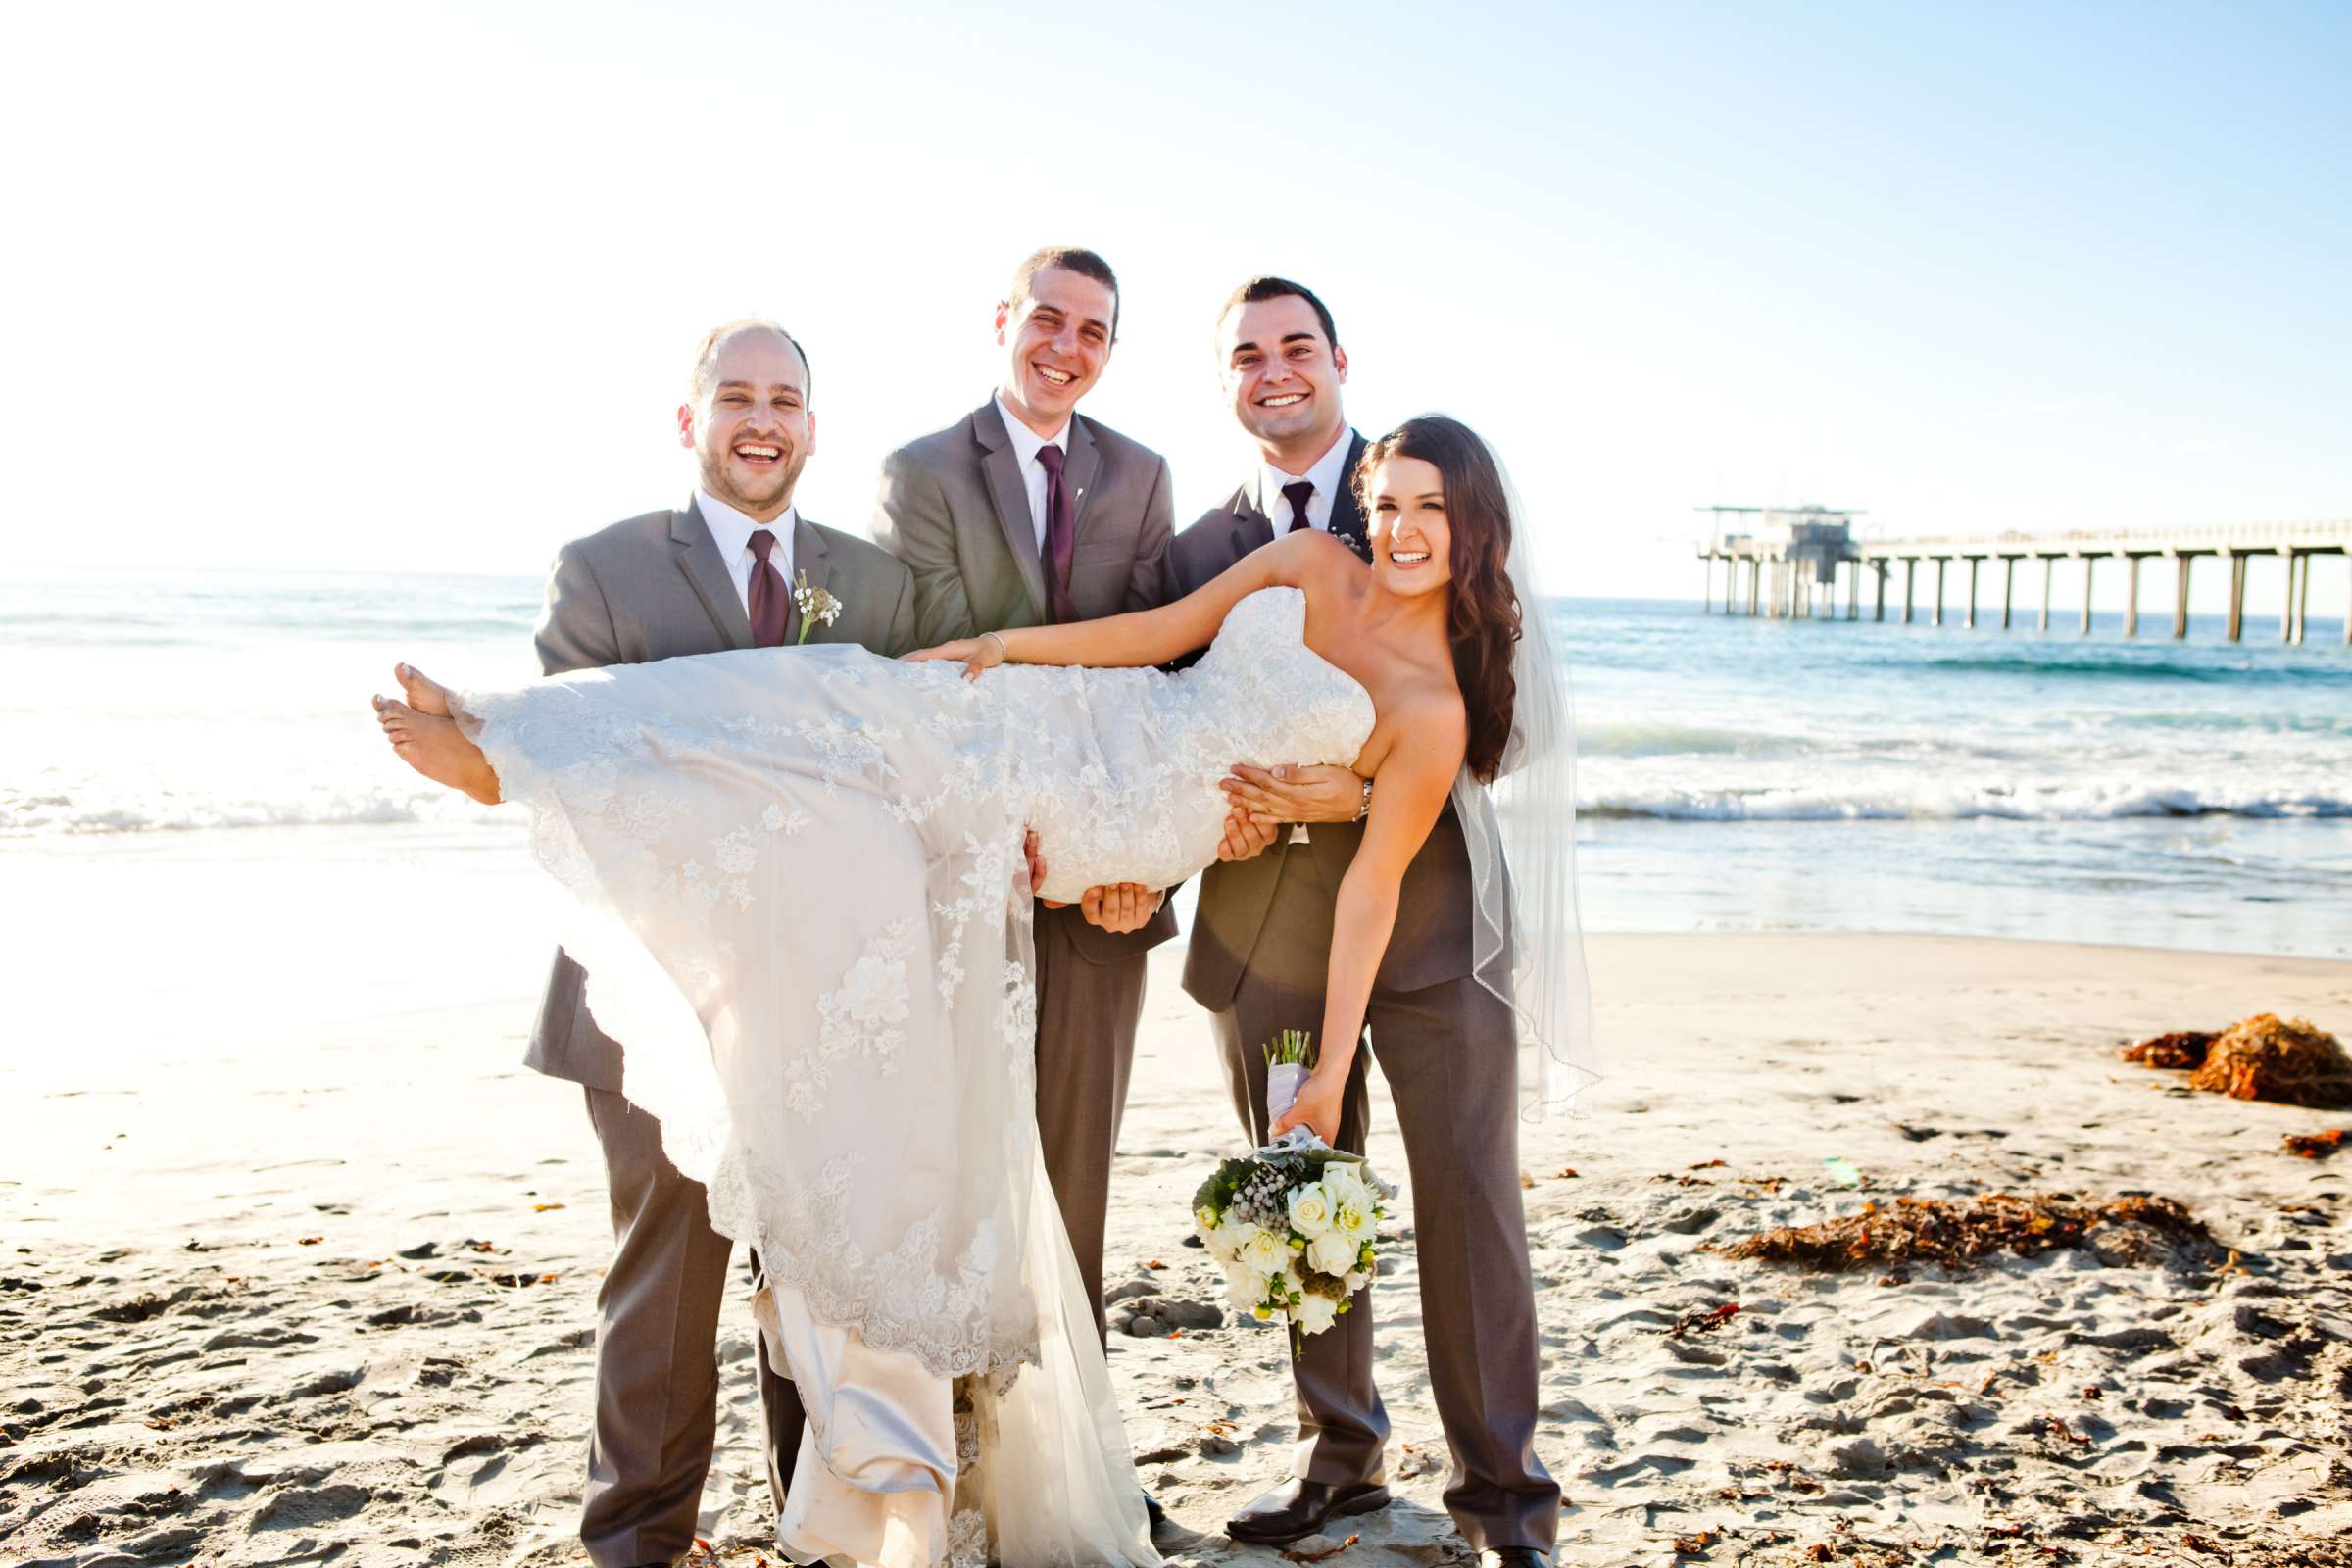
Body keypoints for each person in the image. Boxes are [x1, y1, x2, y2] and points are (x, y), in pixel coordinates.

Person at [372, 416, 1571, 1568]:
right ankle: (516, 738)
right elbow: (1157, 632)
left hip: (1129, 814)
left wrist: (1322, 1067)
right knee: (847, 700)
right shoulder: (1312, 558)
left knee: (853, 809)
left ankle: (533, 771)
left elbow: (1368, 896)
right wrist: (1008, 652)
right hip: (1091, 718)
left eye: (1432, 511)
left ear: (1477, 527)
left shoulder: (1430, 711)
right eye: (1391, 504)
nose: (1405, 530)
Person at [1163, 281, 1562, 1566]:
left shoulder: (1418, 491)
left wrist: (1376, 780)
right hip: (1266, 926)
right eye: (1246, 355)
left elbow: (1500, 716)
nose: (1274, 372)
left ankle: (1505, 1501)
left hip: (1437, 924)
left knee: (1469, 1205)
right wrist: (1186, 819)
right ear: (1227, 379)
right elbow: (1167, 719)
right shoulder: (1198, 543)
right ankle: (1340, 1464)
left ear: (1338, 362)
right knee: (1301, 1189)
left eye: (1296, 348)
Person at [516, 318, 918, 1568]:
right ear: (688, 421)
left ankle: (825, 1523)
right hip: (654, 991)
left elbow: (903, 775)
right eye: (736, 396)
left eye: (785, 399)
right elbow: (573, 770)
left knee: (824, 1264)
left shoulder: (878, 582)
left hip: (826, 995)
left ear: (812, 425)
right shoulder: (602, 568)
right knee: (670, 1273)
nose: (762, 419)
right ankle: (638, 1536)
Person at [871, 246, 1177, 1352]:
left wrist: (1136, 859)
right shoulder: (922, 472)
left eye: (1094, 332)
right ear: (1004, 318)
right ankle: (958, 1444)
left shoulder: (1142, 476)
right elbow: (940, 672)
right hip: (967, 868)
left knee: (1075, 1178)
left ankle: (1073, 1449)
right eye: (1049, 319)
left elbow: (1153, 681)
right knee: (957, 1163)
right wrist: (1013, 833)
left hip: (1106, 887)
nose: (1067, 348)